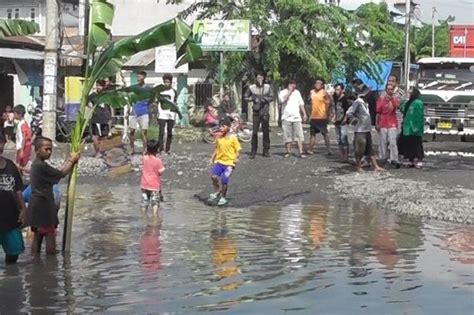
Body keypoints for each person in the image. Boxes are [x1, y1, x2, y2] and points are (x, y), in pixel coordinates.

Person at [28, 136, 80, 254]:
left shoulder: (37, 165)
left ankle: (36, 266)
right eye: (46, 149)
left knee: (38, 236)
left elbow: (57, 173)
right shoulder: (41, 166)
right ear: (37, 150)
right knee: (50, 237)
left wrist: (69, 160)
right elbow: (61, 174)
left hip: (36, 206)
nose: (49, 152)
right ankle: (51, 267)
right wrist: (72, 160)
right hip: (43, 207)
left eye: (50, 149)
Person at [0, 135, 27, 264]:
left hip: (11, 217)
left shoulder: (10, 165)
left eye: (0, 143)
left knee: (13, 253)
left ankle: (11, 278)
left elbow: (18, 190)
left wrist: (23, 209)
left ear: (4, 144)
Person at [346, 89, 383, 172]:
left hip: (367, 129)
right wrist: (354, 119)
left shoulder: (366, 104)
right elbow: (349, 112)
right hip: (360, 130)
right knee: (359, 149)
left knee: (370, 149)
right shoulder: (358, 102)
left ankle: (376, 166)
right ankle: (358, 167)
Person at [208, 117, 241, 206]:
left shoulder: (233, 138)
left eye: (223, 126)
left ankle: (223, 197)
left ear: (228, 127)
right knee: (214, 177)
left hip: (229, 163)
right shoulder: (219, 137)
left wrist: (236, 158)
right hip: (220, 161)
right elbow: (216, 148)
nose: (221, 128)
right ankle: (218, 191)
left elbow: (238, 150)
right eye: (220, 126)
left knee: (224, 178)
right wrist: (212, 159)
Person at [244, 73, 273, 159]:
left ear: (263, 78)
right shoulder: (252, 87)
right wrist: (253, 99)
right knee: (255, 132)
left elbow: (271, 97)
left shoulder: (267, 87)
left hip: (265, 112)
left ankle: (266, 150)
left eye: (261, 77)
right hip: (256, 112)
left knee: (266, 132)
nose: (259, 79)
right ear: (256, 78)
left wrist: (264, 99)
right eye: (258, 77)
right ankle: (253, 151)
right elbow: (245, 97)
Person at [278, 80, 308, 158]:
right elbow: (282, 100)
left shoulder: (297, 92)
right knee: (287, 136)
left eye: (294, 84)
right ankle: (288, 151)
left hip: (296, 117)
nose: (293, 85)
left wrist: (304, 113)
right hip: (286, 117)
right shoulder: (282, 92)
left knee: (299, 135)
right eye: (291, 84)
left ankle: (301, 152)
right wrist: (289, 91)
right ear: (288, 84)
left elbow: (301, 104)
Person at [398, 87, 425, 169]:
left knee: (416, 144)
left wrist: (417, 127)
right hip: (407, 127)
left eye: (410, 93)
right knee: (408, 144)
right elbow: (403, 110)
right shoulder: (409, 102)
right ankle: (410, 159)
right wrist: (403, 102)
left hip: (415, 128)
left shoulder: (418, 103)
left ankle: (419, 160)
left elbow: (419, 116)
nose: (408, 94)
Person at [376, 84, 401, 167]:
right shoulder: (381, 99)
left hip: (392, 123)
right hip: (383, 122)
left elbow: (397, 106)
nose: (390, 91)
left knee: (392, 141)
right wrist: (377, 123)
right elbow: (378, 112)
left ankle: (394, 159)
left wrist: (392, 100)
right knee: (383, 141)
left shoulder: (395, 99)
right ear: (386, 90)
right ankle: (383, 157)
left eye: (391, 89)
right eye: (388, 89)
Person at [129, 71, 151, 155]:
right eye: (137, 77)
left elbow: (151, 100)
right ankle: (132, 148)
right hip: (134, 112)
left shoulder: (148, 89)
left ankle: (145, 149)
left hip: (143, 112)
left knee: (144, 132)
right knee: (131, 131)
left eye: (140, 77)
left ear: (144, 77)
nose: (138, 78)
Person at [141, 140, 165, 216]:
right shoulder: (158, 161)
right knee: (155, 203)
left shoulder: (144, 159)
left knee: (145, 203)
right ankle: (155, 217)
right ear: (157, 150)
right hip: (154, 185)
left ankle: (144, 216)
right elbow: (160, 172)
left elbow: (143, 156)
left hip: (144, 185)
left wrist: (146, 151)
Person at [308, 78, 331, 155]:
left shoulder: (324, 93)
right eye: (316, 83)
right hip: (313, 117)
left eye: (319, 83)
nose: (317, 84)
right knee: (312, 134)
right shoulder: (312, 92)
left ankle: (328, 149)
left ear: (322, 85)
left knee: (325, 134)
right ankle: (310, 149)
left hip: (322, 117)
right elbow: (311, 103)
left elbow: (328, 103)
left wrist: (325, 111)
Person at [89, 80, 112, 157]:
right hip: (96, 118)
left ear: (103, 86)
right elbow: (85, 101)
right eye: (97, 85)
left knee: (104, 136)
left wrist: (109, 117)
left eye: (100, 86)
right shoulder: (93, 95)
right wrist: (91, 108)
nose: (98, 87)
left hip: (105, 118)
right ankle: (97, 152)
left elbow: (109, 106)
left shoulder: (106, 95)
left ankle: (102, 151)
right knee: (95, 136)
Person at [157, 73, 178, 154]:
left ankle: (167, 149)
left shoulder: (174, 92)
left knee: (169, 132)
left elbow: (175, 103)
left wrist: (175, 115)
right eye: (165, 82)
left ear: (171, 82)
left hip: (171, 115)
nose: (166, 84)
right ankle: (161, 149)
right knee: (161, 132)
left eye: (168, 82)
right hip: (162, 114)